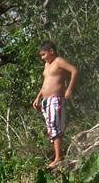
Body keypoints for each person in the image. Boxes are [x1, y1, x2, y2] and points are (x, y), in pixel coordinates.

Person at [31, 40, 78, 168]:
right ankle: (57, 155)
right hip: (46, 100)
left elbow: (74, 71)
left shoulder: (58, 61)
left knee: (54, 125)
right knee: (50, 128)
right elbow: (45, 83)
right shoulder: (47, 65)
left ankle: (58, 157)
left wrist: (69, 90)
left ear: (51, 51)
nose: (42, 58)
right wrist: (38, 97)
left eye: (43, 54)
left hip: (56, 98)